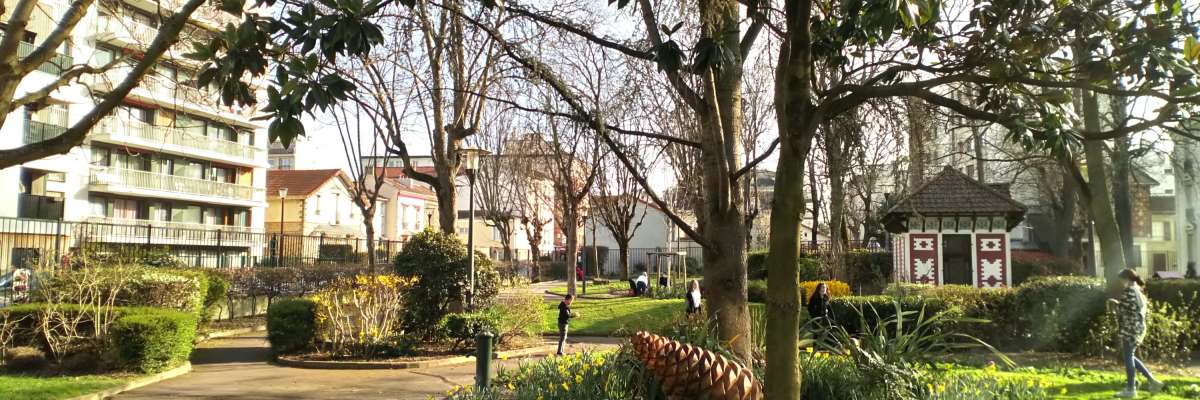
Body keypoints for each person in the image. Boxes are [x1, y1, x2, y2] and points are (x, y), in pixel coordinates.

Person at [1112, 269, 1164, 398]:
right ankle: (1152, 381)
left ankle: (1131, 389)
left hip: (1131, 328)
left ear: (1126, 279)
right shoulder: (1138, 290)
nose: (1121, 282)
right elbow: (1132, 308)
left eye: (1121, 280)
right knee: (1130, 356)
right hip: (1138, 327)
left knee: (1128, 358)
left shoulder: (1129, 291)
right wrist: (1120, 305)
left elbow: (1123, 310)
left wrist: (1115, 305)